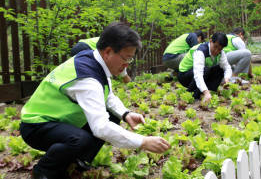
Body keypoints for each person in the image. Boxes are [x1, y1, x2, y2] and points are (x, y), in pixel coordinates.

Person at [20, 22, 170, 179]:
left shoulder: (95, 61)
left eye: (130, 60)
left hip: (58, 120)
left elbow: (108, 95)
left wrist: (125, 114)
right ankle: (44, 171)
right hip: (35, 125)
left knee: (113, 115)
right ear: (108, 52)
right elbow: (100, 128)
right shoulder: (87, 78)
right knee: (79, 139)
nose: (127, 65)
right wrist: (143, 141)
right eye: (126, 58)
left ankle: (77, 160)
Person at [178, 32, 232, 103]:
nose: (216, 51)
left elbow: (227, 67)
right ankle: (192, 94)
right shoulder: (201, 51)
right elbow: (198, 74)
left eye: (219, 49)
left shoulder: (221, 53)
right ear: (210, 41)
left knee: (220, 69)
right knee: (205, 70)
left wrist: (227, 78)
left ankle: (209, 92)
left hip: (199, 73)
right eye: (215, 47)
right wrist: (205, 92)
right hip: (185, 76)